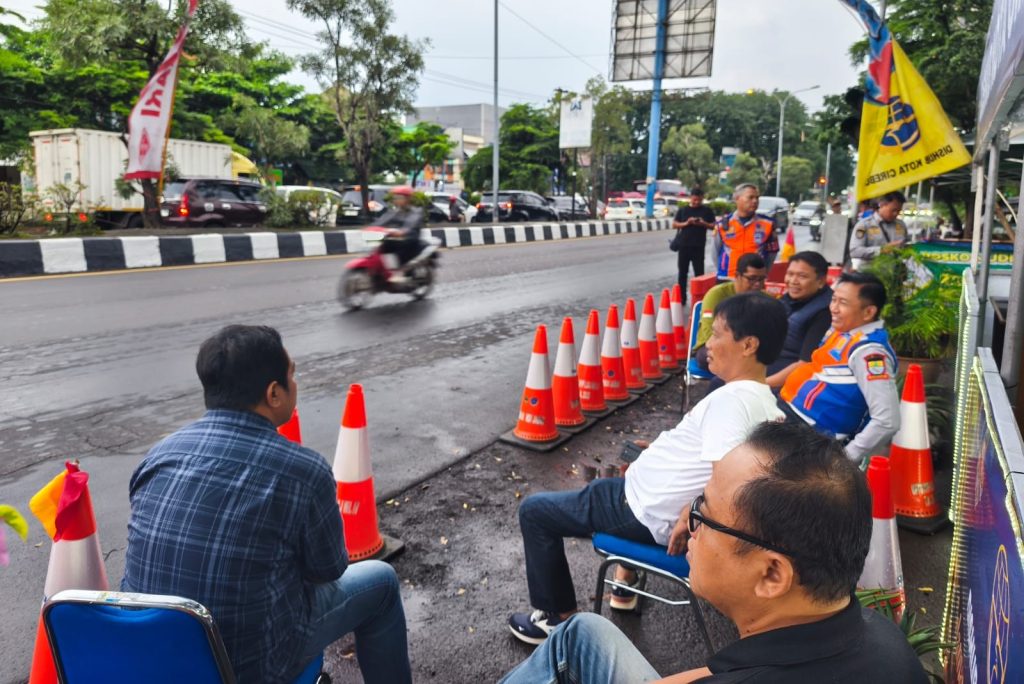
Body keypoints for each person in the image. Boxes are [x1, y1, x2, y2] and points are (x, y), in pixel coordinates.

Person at [500, 421, 929, 684]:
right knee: (582, 633)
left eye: (702, 515)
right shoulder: (875, 635)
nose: (690, 529)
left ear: (772, 575)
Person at [122, 325, 411, 684]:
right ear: (274, 394)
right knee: (381, 583)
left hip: (146, 656)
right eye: (292, 375)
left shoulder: (159, 455)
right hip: (247, 668)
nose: (295, 384)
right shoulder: (304, 471)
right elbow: (329, 569)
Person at [508, 293, 787, 644]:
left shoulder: (732, 402)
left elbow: (733, 477)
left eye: (717, 334)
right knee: (601, 487)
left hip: (641, 510)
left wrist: (693, 511)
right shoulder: (764, 402)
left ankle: (556, 619)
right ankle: (626, 586)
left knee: (535, 512)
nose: (707, 345)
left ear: (748, 345)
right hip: (643, 500)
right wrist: (659, 453)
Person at [780, 272, 900, 464]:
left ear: (868, 312)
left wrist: (843, 460)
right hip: (792, 421)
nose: (834, 308)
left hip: (812, 440)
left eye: (842, 303)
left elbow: (887, 420)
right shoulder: (846, 331)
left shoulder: (870, 353)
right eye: (833, 299)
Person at [765, 251, 833, 390]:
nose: (793, 281)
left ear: (820, 281)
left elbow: (804, 364)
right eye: (790, 274)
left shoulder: (825, 312)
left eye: (802, 276)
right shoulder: (788, 299)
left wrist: (761, 384)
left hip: (786, 383)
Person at [691, 253, 767, 371]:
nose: (757, 284)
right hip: (712, 347)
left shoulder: (764, 298)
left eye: (761, 279)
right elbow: (708, 334)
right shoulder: (716, 295)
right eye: (751, 279)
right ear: (737, 276)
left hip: (748, 349)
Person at [713, 183, 777, 280]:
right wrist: (722, 269)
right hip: (727, 278)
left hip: (755, 280)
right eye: (750, 197)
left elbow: (772, 253)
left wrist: (762, 274)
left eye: (757, 198)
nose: (755, 201)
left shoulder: (768, 224)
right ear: (737, 199)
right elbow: (715, 253)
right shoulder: (723, 224)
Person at [672, 187, 717, 300]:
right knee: (682, 273)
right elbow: (674, 224)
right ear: (690, 198)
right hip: (684, 246)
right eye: (694, 200)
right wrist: (687, 223)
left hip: (699, 246)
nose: (696, 202)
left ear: (702, 198)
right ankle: (682, 298)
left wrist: (703, 223)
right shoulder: (683, 210)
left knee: (699, 274)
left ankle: (699, 298)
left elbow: (714, 226)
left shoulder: (707, 211)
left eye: (699, 200)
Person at [848, 190, 907, 270]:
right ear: (882, 205)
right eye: (893, 210)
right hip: (870, 273)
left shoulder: (901, 225)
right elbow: (854, 251)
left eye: (899, 211)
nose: (896, 214)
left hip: (894, 273)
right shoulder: (864, 225)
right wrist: (881, 250)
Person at [377, 185, 425, 282]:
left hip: (411, 239)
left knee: (402, 249)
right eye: (395, 197)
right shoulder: (395, 211)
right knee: (382, 246)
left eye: (399, 197)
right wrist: (371, 227)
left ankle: (402, 272)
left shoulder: (415, 212)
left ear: (407, 199)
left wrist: (403, 232)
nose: (396, 200)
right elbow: (383, 221)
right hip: (398, 237)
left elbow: (411, 224)